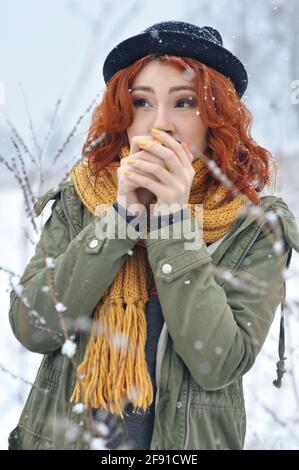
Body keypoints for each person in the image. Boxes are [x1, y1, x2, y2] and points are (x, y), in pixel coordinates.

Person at [8, 20, 299, 450]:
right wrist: (120, 219)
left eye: (184, 103)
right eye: (142, 102)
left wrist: (171, 222)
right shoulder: (81, 198)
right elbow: (34, 328)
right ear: (123, 116)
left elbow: (217, 362)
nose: (159, 124)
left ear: (217, 117)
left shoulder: (254, 224)